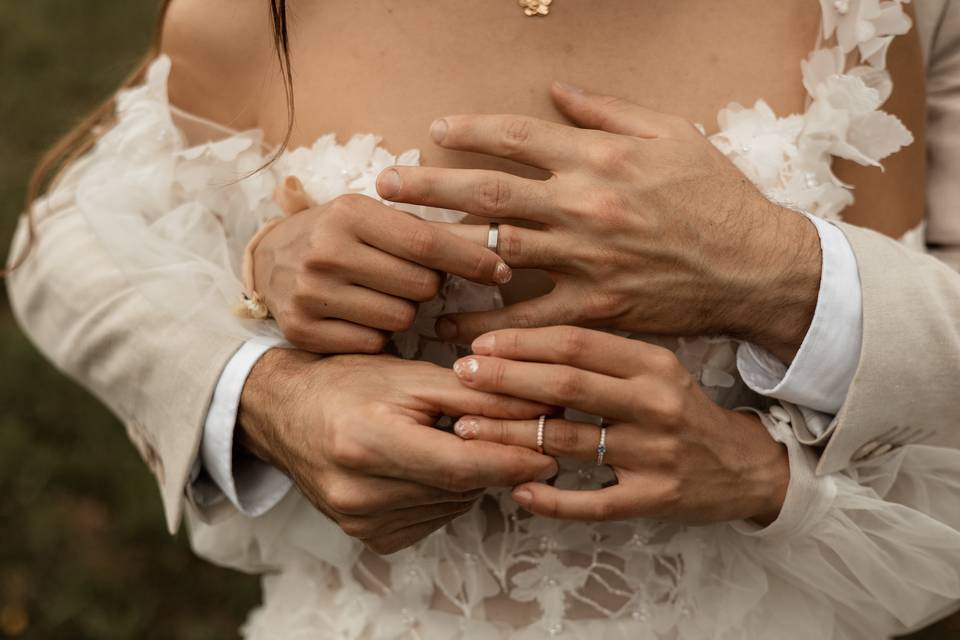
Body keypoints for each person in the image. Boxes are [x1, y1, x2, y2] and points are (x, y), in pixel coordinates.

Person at [7, 1, 960, 637]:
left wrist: (781, 278)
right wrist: (264, 369)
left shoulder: (874, 18)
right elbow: (70, 239)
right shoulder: (252, 13)